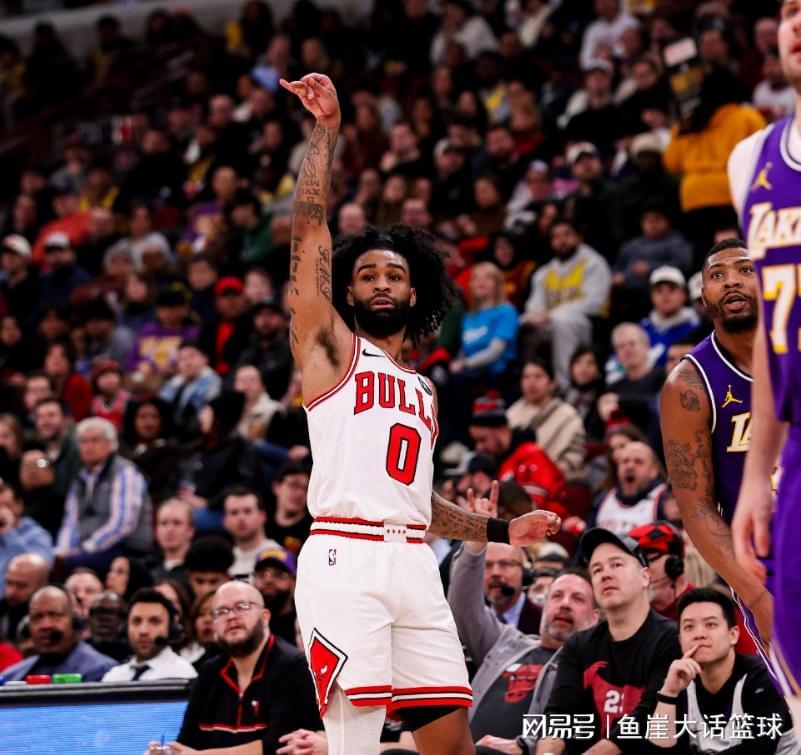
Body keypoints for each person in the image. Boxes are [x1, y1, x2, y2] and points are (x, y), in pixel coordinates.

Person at [280, 72, 559, 755]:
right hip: (346, 554)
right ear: (347, 292)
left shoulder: (424, 390)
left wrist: (500, 528)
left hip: (413, 562)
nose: (381, 282)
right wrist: (325, 134)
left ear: (415, 294)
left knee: (451, 746)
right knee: (353, 744)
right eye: (367, 274)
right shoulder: (329, 351)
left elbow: (419, 503)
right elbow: (310, 230)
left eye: (394, 275)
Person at [727, 5, 801, 730]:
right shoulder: (750, 160)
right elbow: (773, 338)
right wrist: (757, 475)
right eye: (789, 9)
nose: (798, 22)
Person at [660, 240, 773, 661]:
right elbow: (696, 508)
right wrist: (756, 596)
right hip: (770, 564)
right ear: (704, 297)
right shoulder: (688, 385)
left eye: (744, 270)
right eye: (717, 276)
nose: (731, 282)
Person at [449, 529, 600, 753]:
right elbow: (463, 606)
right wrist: (475, 540)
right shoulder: (505, 642)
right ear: (543, 605)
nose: (565, 604)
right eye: (557, 596)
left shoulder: (593, 666)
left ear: (595, 617)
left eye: (578, 599)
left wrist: (524, 746)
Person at [535, 529, 680, 753]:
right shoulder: (578, 645)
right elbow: (557, 717)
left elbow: (648, 715)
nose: (605, 575)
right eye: (597, 569)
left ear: (645, 576)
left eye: (616, 565)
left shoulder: (671, 639)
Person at [147, 580, 321, 753]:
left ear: (265, 617)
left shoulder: (294, 666)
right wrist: (167, 751)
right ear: (214, 624)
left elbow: (281, 746)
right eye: (221, 611)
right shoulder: (210, 672)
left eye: (242, 607)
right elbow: (188, 742)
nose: (231, 616)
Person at [647, 588, 796, 754]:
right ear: (680, 640)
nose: (699, 634)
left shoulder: (762, 677)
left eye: (710, 624)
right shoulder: (679, 681)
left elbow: (757, 749)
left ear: (733, 635)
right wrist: (668, 693)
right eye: (689, 627)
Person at [55, 417, 153, 573]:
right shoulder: (80, 478)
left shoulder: (125, 473)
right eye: (83, 441)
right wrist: (62, 552)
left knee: (74, 564)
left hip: (124, 548)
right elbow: (70, 522)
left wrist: (87, 549)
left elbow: (123, 524)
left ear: (111, 444)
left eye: (95, 440)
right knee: (51, 564)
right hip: (88, 549)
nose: (88, 446)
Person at [3, 585, 116, 682]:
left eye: (55, 615)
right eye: (37, 617)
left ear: (74, 621)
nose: (45, 625)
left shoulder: (103, 672)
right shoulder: (11, 677)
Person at [103, 588, 197, 681]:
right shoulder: (113, 676)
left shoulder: (183, 674)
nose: (143, 631)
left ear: (170, 629)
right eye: (136, 621)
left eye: (154, 622)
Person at [0, 482, 53, 592]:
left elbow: (37, 573)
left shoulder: (38, 536)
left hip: (20, 599)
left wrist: (9, 533)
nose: (1, 512)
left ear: (19, 505)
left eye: (6, 506)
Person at [223, 487, 280, 576]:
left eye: (247, 511)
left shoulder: (278, 556)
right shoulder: (223, 560)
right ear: (225, 521)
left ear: (262, 516)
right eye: (234, 513)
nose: (241, 518)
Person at [252, 546, 297, 645]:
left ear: (294, 582)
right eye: (261, 574)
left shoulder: (304, 623)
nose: (268, 580)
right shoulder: (249, 624)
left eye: (278, 574)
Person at [0, 552, 49, 641]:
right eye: (9, 583)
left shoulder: (48, 623)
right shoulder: (3, 608)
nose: (12, 592)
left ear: (42, 586)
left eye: (21, 586)